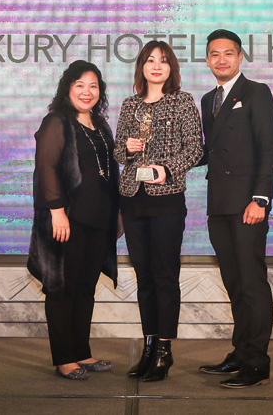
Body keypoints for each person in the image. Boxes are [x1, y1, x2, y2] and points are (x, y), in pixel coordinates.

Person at [113, 40, 203, 382]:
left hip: (166, 200)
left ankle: (164, 350)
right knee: (144, 275)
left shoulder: (182, 101)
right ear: (141, 67)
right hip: (132, 199)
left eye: (163, 61)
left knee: (165, 275)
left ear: (171, 68)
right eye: (150, 60)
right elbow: (118, 152)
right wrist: (127, 147)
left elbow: (195, 149)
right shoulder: (129, 104)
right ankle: (149, 346)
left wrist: (167, 169)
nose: (156, 66)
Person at [27, 60, 121, 380]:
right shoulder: (56, 121)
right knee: (61, 289)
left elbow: (109, 171)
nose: (87, 92)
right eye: (80, 85)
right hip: (67, 221)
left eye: (93, 86)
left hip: (98, 220)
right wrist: (57, 212)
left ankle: (82, 352)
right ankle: (65, 359)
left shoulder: (101, 124)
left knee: (85, 288)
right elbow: (47, 167)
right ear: (67, 88)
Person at [197, 29, 273, 388]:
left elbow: (268, 148)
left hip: (248, 204)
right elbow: (208, 151)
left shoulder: (256, 92)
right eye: (214, 54)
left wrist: (260, 198)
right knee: (234, 283)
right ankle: (241, 352)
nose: (221, 60)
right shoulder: (207, 99)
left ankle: (257, 363)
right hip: (218, 204)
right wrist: (166, 158)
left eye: (228, 53)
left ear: (240, 56)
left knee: (252, 283)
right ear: (207, 60)